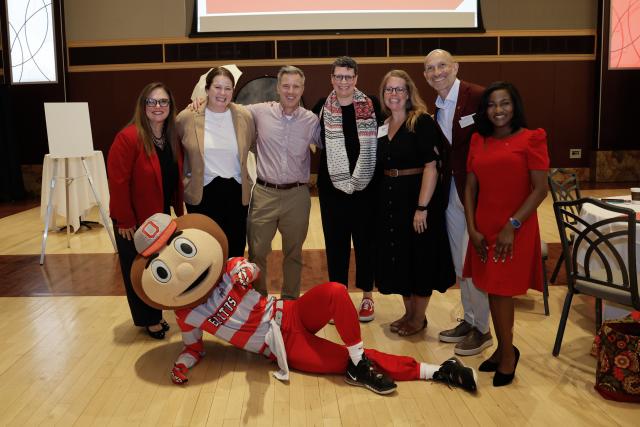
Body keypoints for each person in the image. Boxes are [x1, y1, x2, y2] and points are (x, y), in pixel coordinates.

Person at [129, 212, 478, 394]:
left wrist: (247, 270)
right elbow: (194, 349)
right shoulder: (187, 314)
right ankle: (438, 371)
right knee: (340, 361)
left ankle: (359, 362)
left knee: (336, 291)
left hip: (289, 312)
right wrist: (183, 363)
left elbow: (247, 268)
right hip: (281, 345)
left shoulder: (225, 270)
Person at [464, 81, 549, 386]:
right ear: (484, 110)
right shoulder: (478, 140)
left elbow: (540, 189)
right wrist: (472, 228)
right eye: (491, 105)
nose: (498, 110)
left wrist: (511, 226)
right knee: (491, 288)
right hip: (484, 227)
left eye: (505, 103)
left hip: (515, 228)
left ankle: (508, 355)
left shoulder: (532, 139)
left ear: (515, 107)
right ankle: (503, 349)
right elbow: (470, 187)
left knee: (501, 291)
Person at [375, 70, 455, 336]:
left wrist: (422, 208)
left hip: (416, 199)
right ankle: (408, 314)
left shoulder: (420, 122)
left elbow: (431, 167)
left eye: (399, 89)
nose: (394, 94)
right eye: (389, 89)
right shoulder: (384, 124)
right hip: (391, 201)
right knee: (401, 258)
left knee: (419, 258)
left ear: (409, 93)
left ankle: (418, 319)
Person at [423, 49, 492, 356]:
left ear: (455, 67)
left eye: (442, 66)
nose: (437, 72)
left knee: (472, 258)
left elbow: (496, 138)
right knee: (459, 261)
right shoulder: (436, 108)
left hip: (478, 192)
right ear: (425, 76)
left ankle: (483, 330)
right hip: (452, 191)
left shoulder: (477, 96)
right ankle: (470, 318)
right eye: (430, 69)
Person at [107, 82, 184, 339]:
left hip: (159, 216)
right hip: (134, 220)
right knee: (138, 272)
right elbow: (117, 182)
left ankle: (154, 315)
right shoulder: (128, 137)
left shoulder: (170, 138)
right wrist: (124, 220)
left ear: (170, 106)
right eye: (151, 102)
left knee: (155, 268)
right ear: (143, 106)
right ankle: (148, 319)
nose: (157, 107)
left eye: (163, 102)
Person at [245, 66, 321, 300]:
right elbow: (225, 108)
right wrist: (197, 105)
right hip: (264, 193)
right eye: (285, 86)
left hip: (297, 196)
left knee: (294, 253)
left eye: (296, 86)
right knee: (257, 253)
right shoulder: (258, 112)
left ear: (302, 89)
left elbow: (333, 143)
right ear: (277, 88)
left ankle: (290, 303)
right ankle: (258, 302)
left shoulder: (311, 121)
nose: (290, 91)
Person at [314, 56, 380, 322]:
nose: (344, 81)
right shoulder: (322, 107)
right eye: (339, 77)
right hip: (332, 191)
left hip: (367, 188)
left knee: (366, 243)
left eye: (349, 77)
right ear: (331, 78)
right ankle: (337, 298)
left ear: (356, 78)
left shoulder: (372, 105)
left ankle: (367, 297)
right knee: (336, 244)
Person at [177, 66, 255, 257]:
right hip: (202, 195)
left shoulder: (244, 116)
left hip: (236, 194)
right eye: (217, 87)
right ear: (207, 89)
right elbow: (176, 150)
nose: (222, 93)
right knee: (205, 254)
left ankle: (232, 288)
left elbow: (251, 143)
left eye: (228, 88)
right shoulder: (187, 117)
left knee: (235, 251)